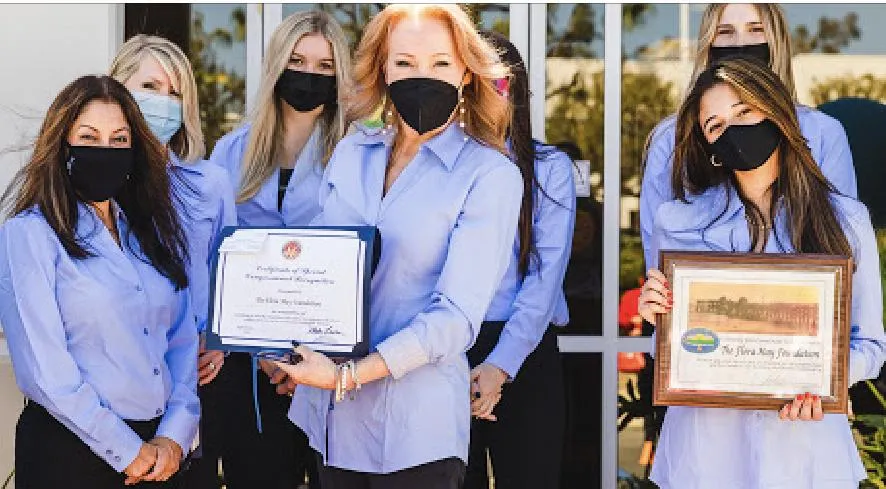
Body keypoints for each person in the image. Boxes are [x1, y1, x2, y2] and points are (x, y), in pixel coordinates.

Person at [271, 5, 522, 488]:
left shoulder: (490, 175)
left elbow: (456, 317)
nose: (421, 76)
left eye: (441, 63)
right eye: (404, 62)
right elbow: (316, 267)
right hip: (331, 423)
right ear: (382, 69)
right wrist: (285, 344)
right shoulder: (352, 151)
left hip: (415, 433)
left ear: (466, 73)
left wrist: (349, 376)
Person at [638, 58, 886, 489]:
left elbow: (871, 346)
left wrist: (824, 381)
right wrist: (657, 316)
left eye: (744, 112)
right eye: (715, 126)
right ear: (708, 146)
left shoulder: (845, 220)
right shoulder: (677, 221)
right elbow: (676, 356)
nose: (732, 130)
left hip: (803, 447)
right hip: (707, 450)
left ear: (775, 111)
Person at [0, 75, 199, 488]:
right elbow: (45, 370)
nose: (105, 151)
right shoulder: (31, 234)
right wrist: (128, 450)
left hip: (160, 456)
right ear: (61, 146)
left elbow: (180, 342)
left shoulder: (151, 232)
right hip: (71, 453)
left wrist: (174, 436)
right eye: (89, 137)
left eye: (119, 139)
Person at [207, 10, 352, 488]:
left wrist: (314, 361)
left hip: (335, 372)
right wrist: (268, 354)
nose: (309, 75)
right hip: (253, 371)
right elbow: (218, 262)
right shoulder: (232, 151)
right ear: (276, 66)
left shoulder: (360, 152)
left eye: (325, 66)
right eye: (297, 61)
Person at [108, 34, 237, 488]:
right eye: (150, 87)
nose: (163, 101)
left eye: (175, 92)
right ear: (116, 90)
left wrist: (219, 341)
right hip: (113, 382)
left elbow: (227, 275)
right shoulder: (95, 183)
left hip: (193, 381)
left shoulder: (210, 183)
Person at [640, 3, 857, 269]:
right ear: (708, 44)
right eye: (725, 32)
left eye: (756, 30)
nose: (740, 43)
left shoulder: (823, 132)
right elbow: (657, 255)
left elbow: (842, 240)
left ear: (776, 40)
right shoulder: (671, 139)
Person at [463, 31, 574, 489]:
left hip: (526, 348)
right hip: (448, 346)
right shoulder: (436, 166)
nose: (487, 96)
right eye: (475, 83)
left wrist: (501, 365)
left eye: (498, 84)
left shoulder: (549, 168)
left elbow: (545, 278)